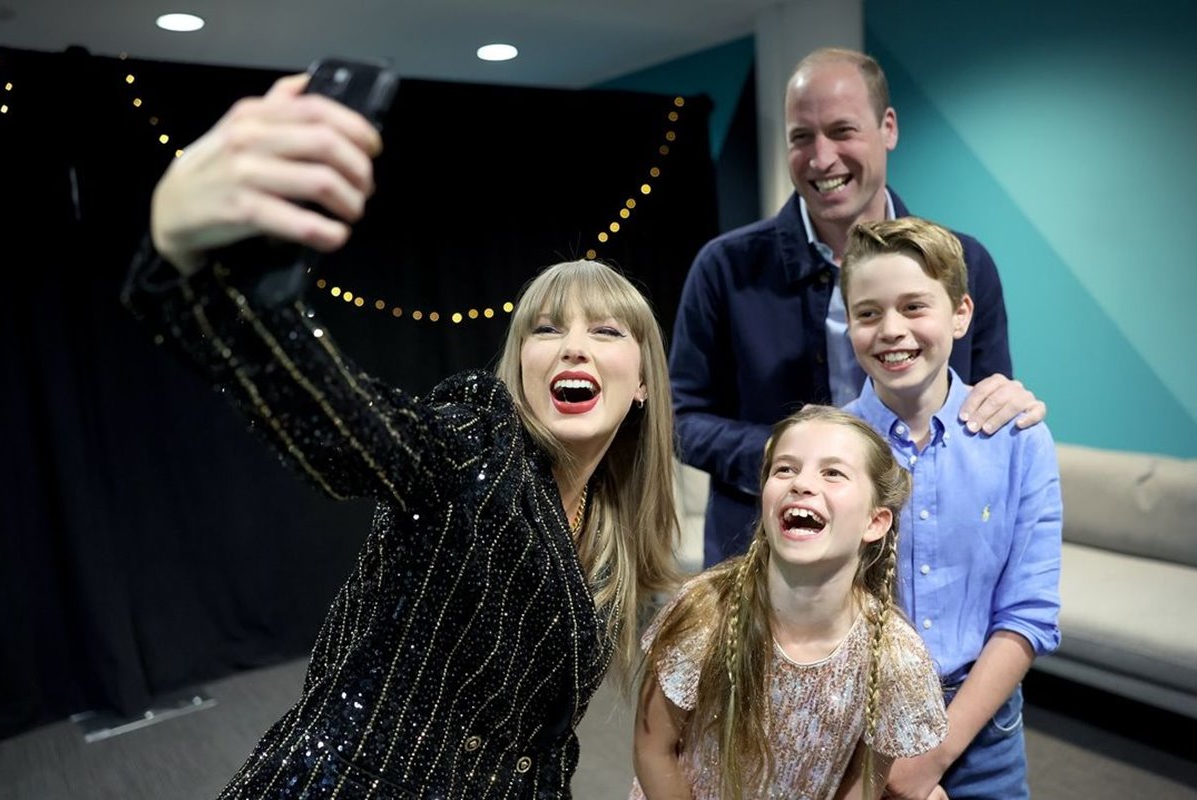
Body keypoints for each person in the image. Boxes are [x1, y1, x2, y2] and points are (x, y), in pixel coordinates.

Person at [121, 73, 682, 799]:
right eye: (546, 329)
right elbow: (349, 426)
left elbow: (532, 748)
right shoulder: (477, 442)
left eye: (604, 331)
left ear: (642, 384)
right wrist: (184, 261)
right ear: (519, 364)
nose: (572, 347)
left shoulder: (606, 531)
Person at [668, 47, 1047, 567]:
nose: (821, 158)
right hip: (763, 558)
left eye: (842, 131)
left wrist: (1009, 402)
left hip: (926, 558)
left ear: (887, 127)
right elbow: (679, 418)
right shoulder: (724, 267)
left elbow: (985, 405)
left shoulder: (967, 263)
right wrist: (788, 455)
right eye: (802, 137)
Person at [840, 217, 1061, 800]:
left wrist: (930, 759)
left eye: (915, 307)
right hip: (854, 729)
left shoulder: (1019, 440)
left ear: (961, 313)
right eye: (868, 313)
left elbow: (1029, 614)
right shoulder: (827, 444)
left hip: (983, 729)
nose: (892, 330)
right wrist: (887, 762)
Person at [630, 405, 948, 800]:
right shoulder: (705, 612)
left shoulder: (893, 657)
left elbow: (865, 784)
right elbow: (653, 748)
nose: (801, 484)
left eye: (833, 473)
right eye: (785, 469)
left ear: (875, 522)